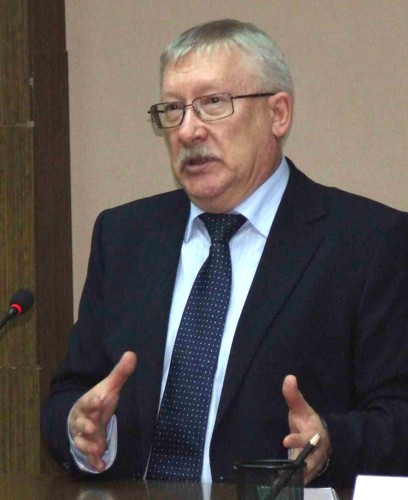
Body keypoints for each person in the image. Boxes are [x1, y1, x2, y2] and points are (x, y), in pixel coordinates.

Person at [41, 19, 408, 488]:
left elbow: (398, 415)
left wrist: (331, 442)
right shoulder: (124, 236)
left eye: (213, 103)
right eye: (173, 109)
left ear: (278, 114)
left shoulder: (368, 242)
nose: (188, 130)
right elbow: (71, 393)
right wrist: (81, 429)